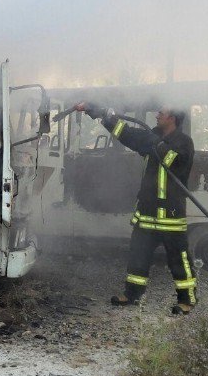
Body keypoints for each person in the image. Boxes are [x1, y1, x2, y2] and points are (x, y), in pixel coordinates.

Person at [77, 101, 197, 315]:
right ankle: (132, 295)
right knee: (137, 258)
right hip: (147, 214)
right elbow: (127, 133)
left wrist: (155, 142)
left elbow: (170, 159)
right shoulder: (153, 135)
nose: (157, 115)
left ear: (173, 118)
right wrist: (98, 113)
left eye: (162, 112)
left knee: (179, 261)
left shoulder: (183, 142)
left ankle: (186, 300)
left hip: (170, 217)